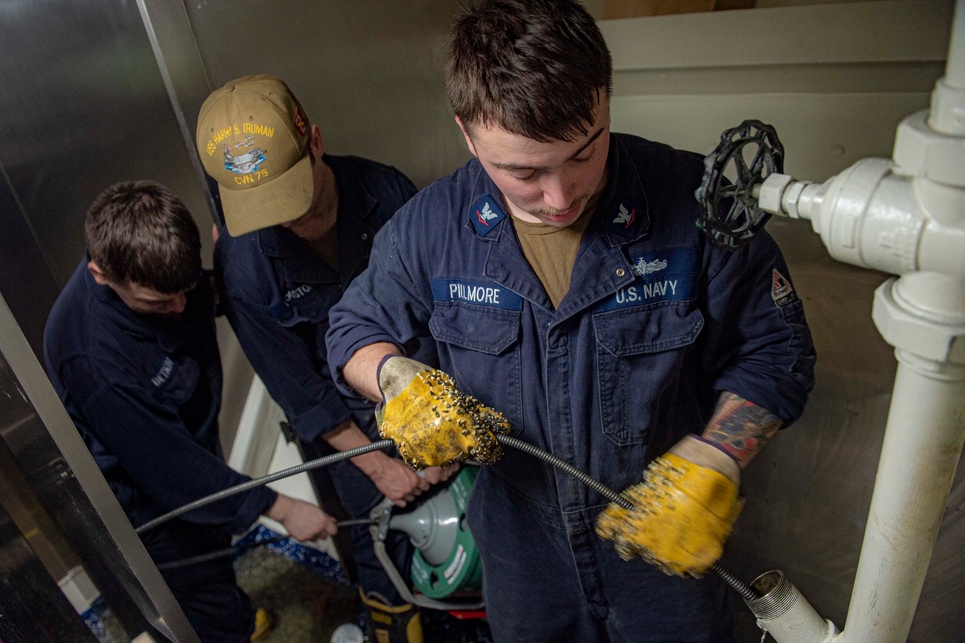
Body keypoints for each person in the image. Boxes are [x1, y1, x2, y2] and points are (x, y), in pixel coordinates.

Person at [325, 1, 816, 641]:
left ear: (605, 102)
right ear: (468, 135)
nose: (560, 197)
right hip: (520, 553)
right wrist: (394, 377)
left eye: (584, 154)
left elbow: (776, 352)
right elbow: (351, 331)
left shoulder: (696, 206)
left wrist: (720, 454)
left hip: (658, 540)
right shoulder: (431, 228)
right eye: (522, 172)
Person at [195, 75, 456, 643]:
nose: (280, 219)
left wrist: (440, 430)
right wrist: (382, 467)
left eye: (288, 193)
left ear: (313, 140)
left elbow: (439, 319)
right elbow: (301, 392)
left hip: (418, 389)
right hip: (344, 427)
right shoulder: (244, 265)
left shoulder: (387, 193)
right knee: (378, 544)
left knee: (466, 518)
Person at [43, 181, 337, 643]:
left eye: (186, 291)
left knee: (218, 553)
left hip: (190, 446)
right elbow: (170, 468)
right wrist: (278, 507)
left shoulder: (166, 268)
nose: (181, 308)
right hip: (148, 502)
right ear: (101, 273)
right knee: (207, 604)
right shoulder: (90, 357)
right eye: (158, 303)